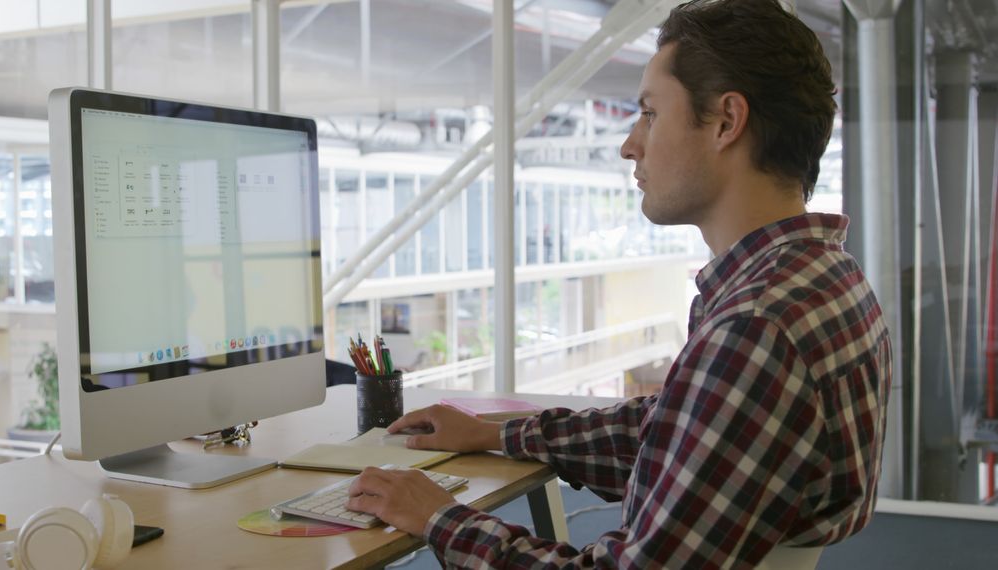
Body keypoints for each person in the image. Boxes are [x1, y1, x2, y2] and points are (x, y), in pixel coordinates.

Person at [346, 0, 892, 566]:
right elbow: (678, 430)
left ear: (727, 122)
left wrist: (439, 518)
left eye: (651, 114)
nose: (630, 143)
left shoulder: (756, 329)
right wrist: (498, 435)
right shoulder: (821, 279)